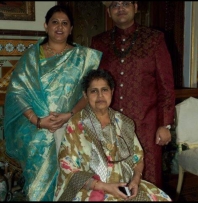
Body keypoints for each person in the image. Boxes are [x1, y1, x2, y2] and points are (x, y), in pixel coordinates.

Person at [3, 5, 102, 201]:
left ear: (71, 29)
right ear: (46, 26)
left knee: (72, 177)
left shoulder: (83, 57)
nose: (59, 27)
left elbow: (89, 93)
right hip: (35, 129)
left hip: (71, 126)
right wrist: (38, 121)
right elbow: (17, 92)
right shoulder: (32, 56)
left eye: (65, 23)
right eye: (55, 22)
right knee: (38, 170)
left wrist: (69, 114)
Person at [90, 1, 175, 188]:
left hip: (146, 127)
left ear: (136, 7)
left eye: (126, 3)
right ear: (108, 11)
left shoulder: (154, 39)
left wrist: (165, 124)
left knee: (149, 178)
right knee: (113, 179)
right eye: (115, 4)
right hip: (110, 127)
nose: (120, 8)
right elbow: (93, 85)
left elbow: (166, 86)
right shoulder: (99, 42)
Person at [53, 69, 171, 201]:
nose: (100, 96)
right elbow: (67, 166)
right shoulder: (75, 124)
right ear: (85, 95)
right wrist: (105, 187)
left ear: (112, 92)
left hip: (124, 185)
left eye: (104, 90)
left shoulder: (124, 123)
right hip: (89, 187)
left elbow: (137, 159)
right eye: (93, 91)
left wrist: (135, 181)